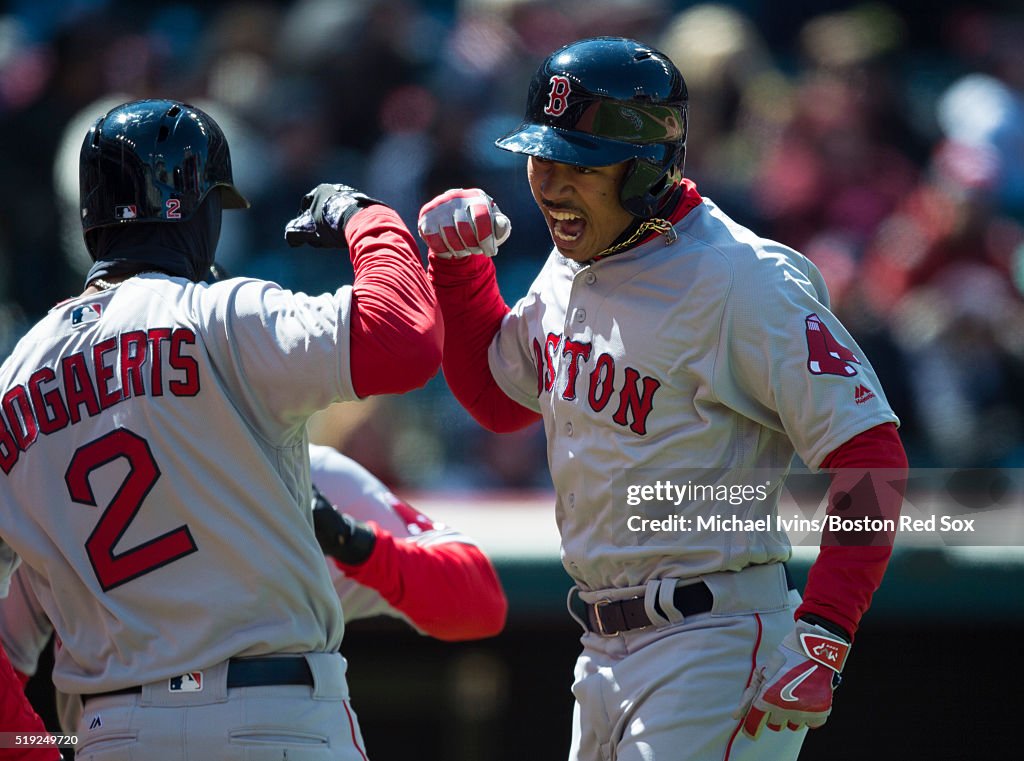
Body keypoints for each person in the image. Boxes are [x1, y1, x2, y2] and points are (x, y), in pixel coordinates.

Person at [418, 37, 907, 760]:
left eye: (578, 163)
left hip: (711, 641)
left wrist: (827, 628)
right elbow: (502, 401)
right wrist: (460, 277)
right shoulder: (575, 258)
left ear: (645, 167)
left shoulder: (742, 278)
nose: (550, 183)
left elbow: (872, 451)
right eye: (539, 157)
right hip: (602, 650)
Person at [0, 98, 441, 760]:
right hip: (274, 713)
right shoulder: (222, 313)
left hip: (110, 730)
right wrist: (365, 217)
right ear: (203, 215)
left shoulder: (14, 375)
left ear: (89, 220)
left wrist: (39, 748)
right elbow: (405, 337)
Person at [0, 443, 507, 736]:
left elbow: (480, 601)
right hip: (253, 732)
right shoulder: (59, 483)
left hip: (125, 734)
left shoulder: (307, 470)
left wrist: (350, 542)